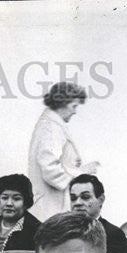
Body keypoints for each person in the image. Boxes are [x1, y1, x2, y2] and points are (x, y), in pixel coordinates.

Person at [28, 83, 100, 222]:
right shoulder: (51, 128)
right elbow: (50, 171)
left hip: (52, 206)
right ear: (62, 104)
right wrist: (81, 174)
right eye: (74, 106)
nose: (75, 112)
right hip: (50, 208)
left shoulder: (51, 125)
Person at [68, 174, 127, 253]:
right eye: (73, 198)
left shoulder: (113, 234)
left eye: (85, 197)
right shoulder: (63, 231)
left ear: (101, 200)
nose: (77, 203)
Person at [0, 174, 41, 253]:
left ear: (26, 202)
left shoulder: (36, 231)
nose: (9, 204)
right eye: (4, 198)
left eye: (16, 199)